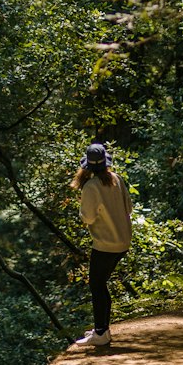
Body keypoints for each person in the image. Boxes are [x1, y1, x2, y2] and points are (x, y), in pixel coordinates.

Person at [71, 141, 131, 350]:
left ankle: (100, 333)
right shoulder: (117, 180)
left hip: (106, 244)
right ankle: (102, 329)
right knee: (100, 283)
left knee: (97, 285)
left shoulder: (91, 187)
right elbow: (129, 208)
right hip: (123, 241)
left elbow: (87, 218)